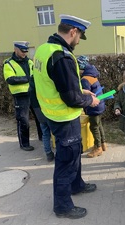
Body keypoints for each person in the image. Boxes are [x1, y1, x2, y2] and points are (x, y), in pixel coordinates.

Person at [33, 14, 100, 219]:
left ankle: (76, 185)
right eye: (79, 36)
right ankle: (62, 206)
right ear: (73, 32)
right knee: (66, 162)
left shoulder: (44, 49)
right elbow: (71, 97)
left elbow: (59, 86)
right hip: (64, 117)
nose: (78, 41)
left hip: (52, 114)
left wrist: (83, 92)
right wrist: (90, 101)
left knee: (73, 154)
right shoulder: (61, 56)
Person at [3, 41, 34, 151]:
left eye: (26, 51)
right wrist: (27, 79)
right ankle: (24, 144)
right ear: (15, 49)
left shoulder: (30, 62)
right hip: (20, 96)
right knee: (23, 120)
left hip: (33, 93)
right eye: (22, 51)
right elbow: (10, 79)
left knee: (40, 119)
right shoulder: (9, 63)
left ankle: (42, 139)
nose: (24, 53)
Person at [77, 56, 107, 158]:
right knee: (99, 125)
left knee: (94, 127)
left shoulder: (85, 79)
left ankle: (97, 148)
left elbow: (86, 95)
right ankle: (103, 144)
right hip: (100, 104)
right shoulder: (93, 75)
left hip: (93, 106)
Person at [29, 74, 54, 162]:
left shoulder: (31, 84)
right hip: (46, 109)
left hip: (37, 110)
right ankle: (60, 154)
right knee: (56, 132)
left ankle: (48, 154)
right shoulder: (42, 82)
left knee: (45, 133)